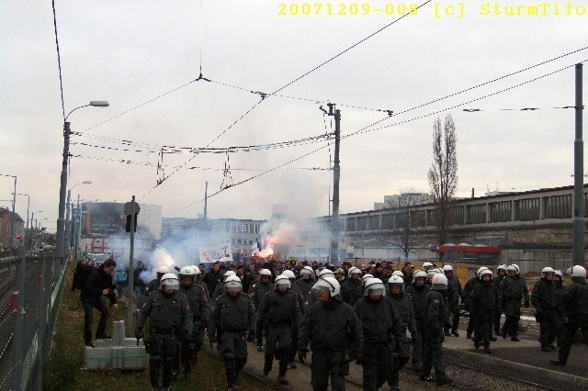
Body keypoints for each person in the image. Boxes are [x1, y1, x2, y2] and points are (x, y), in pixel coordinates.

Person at [298, 276, 363, 391]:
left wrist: (358, 350)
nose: (321, 293)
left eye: (324, 291)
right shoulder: (315, 309)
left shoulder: (346, 310)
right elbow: (305, 328)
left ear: (332, 291)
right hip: (320, 353)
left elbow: (356, 330)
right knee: (319, 385)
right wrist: (302, 347)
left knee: (338, 386)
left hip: (339, 354)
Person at [135, 273, 193, 391]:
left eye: (173, 286)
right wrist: (139, 328)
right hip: (156, 333)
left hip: (171, 334)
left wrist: (188, 330)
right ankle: (155, 385)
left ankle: (166, 386)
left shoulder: (180, 298)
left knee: (169, 360)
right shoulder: (153, 296)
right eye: (168, 286)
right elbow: (143, 313)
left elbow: (187, 315)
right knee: (155, 360)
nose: (170, 289)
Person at [354, 278, 406, 391]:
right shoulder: (360, 304)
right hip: (368, 346)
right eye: (374, 291)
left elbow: (396, 321)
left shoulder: (387, 303)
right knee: (370, 375)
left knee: (386, 370)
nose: (377, 294)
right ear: (368, 291)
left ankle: (375, 386)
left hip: (384, 344)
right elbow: (354, 326)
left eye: (379, 291)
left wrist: (399, 340)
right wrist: (356, 347)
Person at [208, 275, 256, 391]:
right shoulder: (221, 300)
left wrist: (252, 330)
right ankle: (231, 384)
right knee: (229, 356)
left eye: (235, 288)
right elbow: (214, 317)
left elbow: (252, 315)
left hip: (240, 333)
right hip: (226, 333)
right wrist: (211, 333)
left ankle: (234, 375)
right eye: (231, 288)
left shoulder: (246, 299)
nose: (233, 291)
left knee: (242, 358)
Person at [257, 274, 302, 385]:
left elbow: (296, 312)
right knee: (270, 349)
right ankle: (268, 365)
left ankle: (282, 374)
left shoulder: (292, 296)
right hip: (272, 326)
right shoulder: (270, 295)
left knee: (285, 348)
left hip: (286, 326)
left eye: (285, 285)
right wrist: (258, 323)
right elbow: (262, 310)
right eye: (281, 285)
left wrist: (300, 324)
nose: (283, 287)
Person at [551, 265, 588, 366]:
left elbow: (565, 299)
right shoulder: (586, 287)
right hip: (585, 316)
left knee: (566, 339)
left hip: (574, 317)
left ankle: (561, 359)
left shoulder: (573, 287)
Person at [421, 273, 452, 386]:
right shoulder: (437, 296)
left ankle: (424, 373)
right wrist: (437, 329)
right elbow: (433, 315)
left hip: (430, 329)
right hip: (434, 330)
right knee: (437, 353)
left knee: (429, 352)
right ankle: (440, 376)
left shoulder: (431, 293)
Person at [178, 266, 210, 377]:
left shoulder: (199, 290)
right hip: (182, 322)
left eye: (189, 279)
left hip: (197, 320)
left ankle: (193, 355)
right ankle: (185, 366)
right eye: (185, 279)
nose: (187, 281)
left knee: (198, 342)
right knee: (185, 344)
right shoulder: (177, 290)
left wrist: (205, 317)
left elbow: (205, 305)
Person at [384, 276, 414, 390]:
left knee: (404, 356)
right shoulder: (386, 300)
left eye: (397, 287)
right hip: (391, 332)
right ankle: (394, 381)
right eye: (393, 287)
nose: (395, 290)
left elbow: (411, 315)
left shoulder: (407, 298)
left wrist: (413, 332)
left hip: (402, 331)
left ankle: (391, 374)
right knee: (394, 358)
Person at [81, 258, 118, 347]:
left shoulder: (108, 277)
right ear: (105, 267)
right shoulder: (95, 274)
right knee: (89, 318)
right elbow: (88, 288)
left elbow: (108, 290)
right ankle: (88, 341)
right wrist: (101, 292)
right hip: (87, 298)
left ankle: (100, 333)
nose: (112, 272)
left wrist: (114, 301)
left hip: (96, 298)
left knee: (106, 312)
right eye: (111, 270)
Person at [405, 270, 429, 372]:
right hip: (415, 319)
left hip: (425, 319)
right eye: (419, 279)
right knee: (418, 341)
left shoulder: (428, 290)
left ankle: (423, 360)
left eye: (422, 279)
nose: (421, 281)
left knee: (425, 341)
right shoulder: (410, 290)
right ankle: (417, 362)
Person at [467, 269, 496, 353]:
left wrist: (497, 307)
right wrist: (472, 308)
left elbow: (496, 298)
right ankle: (480, 341)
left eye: (488, 277)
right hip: (480, 312)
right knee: (481, 329)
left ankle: (485, 344)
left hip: (489, 312)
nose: (487, 278)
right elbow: (471, 298)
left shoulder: (492, 287)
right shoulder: (478, 287)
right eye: (485, 277)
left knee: (487, 329)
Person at [498, 264, 529, 342]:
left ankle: (514, 335)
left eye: (513, 271)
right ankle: (504, 330)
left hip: (517, 301)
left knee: (516, 318)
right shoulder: (506, 279)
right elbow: (501, 290)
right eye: (510, 271)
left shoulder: (521, 280)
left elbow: (525, 291)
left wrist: (527, 299)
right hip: (508, 301)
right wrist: (501, 299)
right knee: (510, 316)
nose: (511, 273)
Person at [531, 266, 558, 352]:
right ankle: (544, 344)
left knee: (556, 326)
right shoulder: (539, 284)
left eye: (551, 274)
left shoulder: (553, 284)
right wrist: (538, 308)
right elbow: (535, 297)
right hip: (543, 309)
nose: (550, 276)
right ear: (544, 275)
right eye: (548, 275)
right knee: (545, 328)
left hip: (552, 309)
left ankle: (549, 341)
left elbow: (555, 296)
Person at [443, 265, 462, 337]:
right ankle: (446, 330)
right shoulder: (443, 280)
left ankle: (454, 329)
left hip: (454, 301)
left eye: (449, 272)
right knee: (446, 315)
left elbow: (459, 288)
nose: (448, 274)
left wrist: (462, 296)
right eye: (447, 272)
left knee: (457, 313)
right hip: (446, 300)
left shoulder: (455, 278)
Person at [493, 265, 508, 337]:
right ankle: (496, 330)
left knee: (509, 315)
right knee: (497, 315)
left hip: (506, 299)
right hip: (498, 300)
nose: (502, 273)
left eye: (503, 271)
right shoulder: (496, 280)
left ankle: (505, 329)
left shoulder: (508, 279)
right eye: (500, 271)